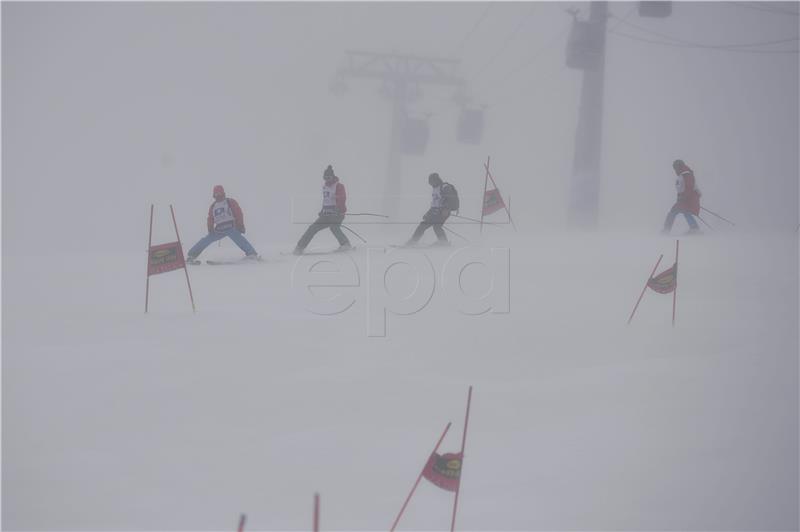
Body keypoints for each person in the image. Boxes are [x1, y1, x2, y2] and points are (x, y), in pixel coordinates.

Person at [187, 185, 259, 262]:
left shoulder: (230, 202)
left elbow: (238, 213)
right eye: (216, 194)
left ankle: (251, 254)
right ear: (214, 195)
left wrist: (240, 225)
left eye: (219, 193)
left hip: (231, 227)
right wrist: (210, 228)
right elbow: (210, 218)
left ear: (223, 193)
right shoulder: (213, 206)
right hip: (219, 230)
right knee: (205, 240)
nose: (218, 195)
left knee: (239, 239)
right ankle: (192, 255)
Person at [293, 165, 352, 255]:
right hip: (326, 215)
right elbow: (326, 200)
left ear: (333, 177)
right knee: (312, 228)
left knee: (334, 227)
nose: (327, 179)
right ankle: (299, 248)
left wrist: (338, 208)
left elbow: (342, 198)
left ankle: (345, 245)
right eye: (325, 177)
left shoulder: (339, 186)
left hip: (337, 214)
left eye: (329, 177)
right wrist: (322, 210)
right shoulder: (325, 187)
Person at [405, 172, 459, 247]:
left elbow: (451, 198)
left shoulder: (445, 187)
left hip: (442, 211)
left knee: (432, 226)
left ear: (436, 180)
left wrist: (446, 209)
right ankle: (414, 242)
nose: (430, 183)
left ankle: (443, 243)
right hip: (435, 211)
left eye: (431, 181)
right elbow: (435, 203)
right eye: (429, 181)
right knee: (429, 226)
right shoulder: (435, 188)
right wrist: (428, 213)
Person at [663, 159, 701, 234]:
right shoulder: (683, 174)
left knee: (674, 212)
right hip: (685, 199)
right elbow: (682, 188)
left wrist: (684, 197)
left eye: (675, 167)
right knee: (685, 212)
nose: (675, 170)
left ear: (679, 166)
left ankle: (666, 230)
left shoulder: (686, 174)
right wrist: (681, 197)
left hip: (687, 199)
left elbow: (689, 187)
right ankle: (695, 229)